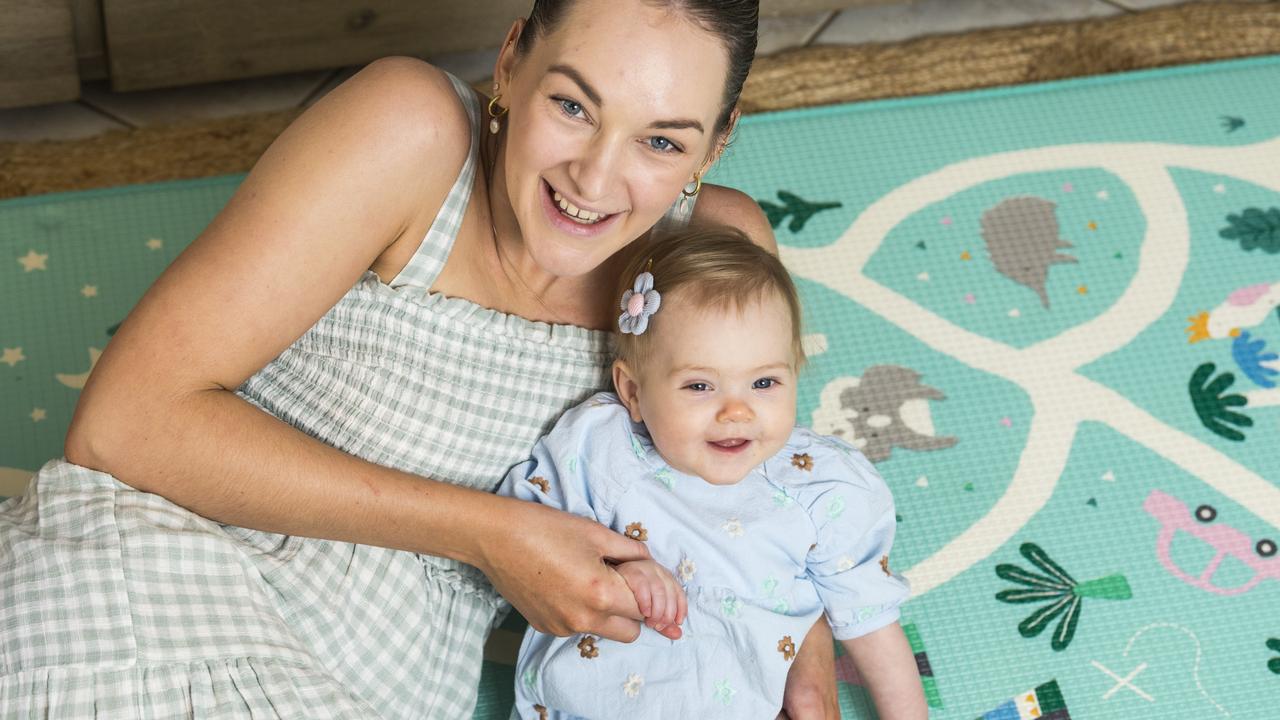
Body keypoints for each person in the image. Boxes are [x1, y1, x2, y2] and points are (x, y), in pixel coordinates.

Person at [0, 0, 846, 717]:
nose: (593, 179)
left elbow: (755, 491)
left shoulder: (710, 264)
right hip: (169, 567)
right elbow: (121, 425)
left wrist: (800, 663)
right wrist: (490, 535)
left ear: (718, 142)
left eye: (661, 143)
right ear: (512, 63)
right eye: (574, 107)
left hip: (388, 679)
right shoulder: (411, 131)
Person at [498, 227, 928, 719]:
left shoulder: (820, 488)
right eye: (700, 386)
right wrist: (619, 569)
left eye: (764, 382)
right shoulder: (602, 451)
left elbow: (871, 622)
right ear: (633, 393)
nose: (736, 413)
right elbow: (525, 539)